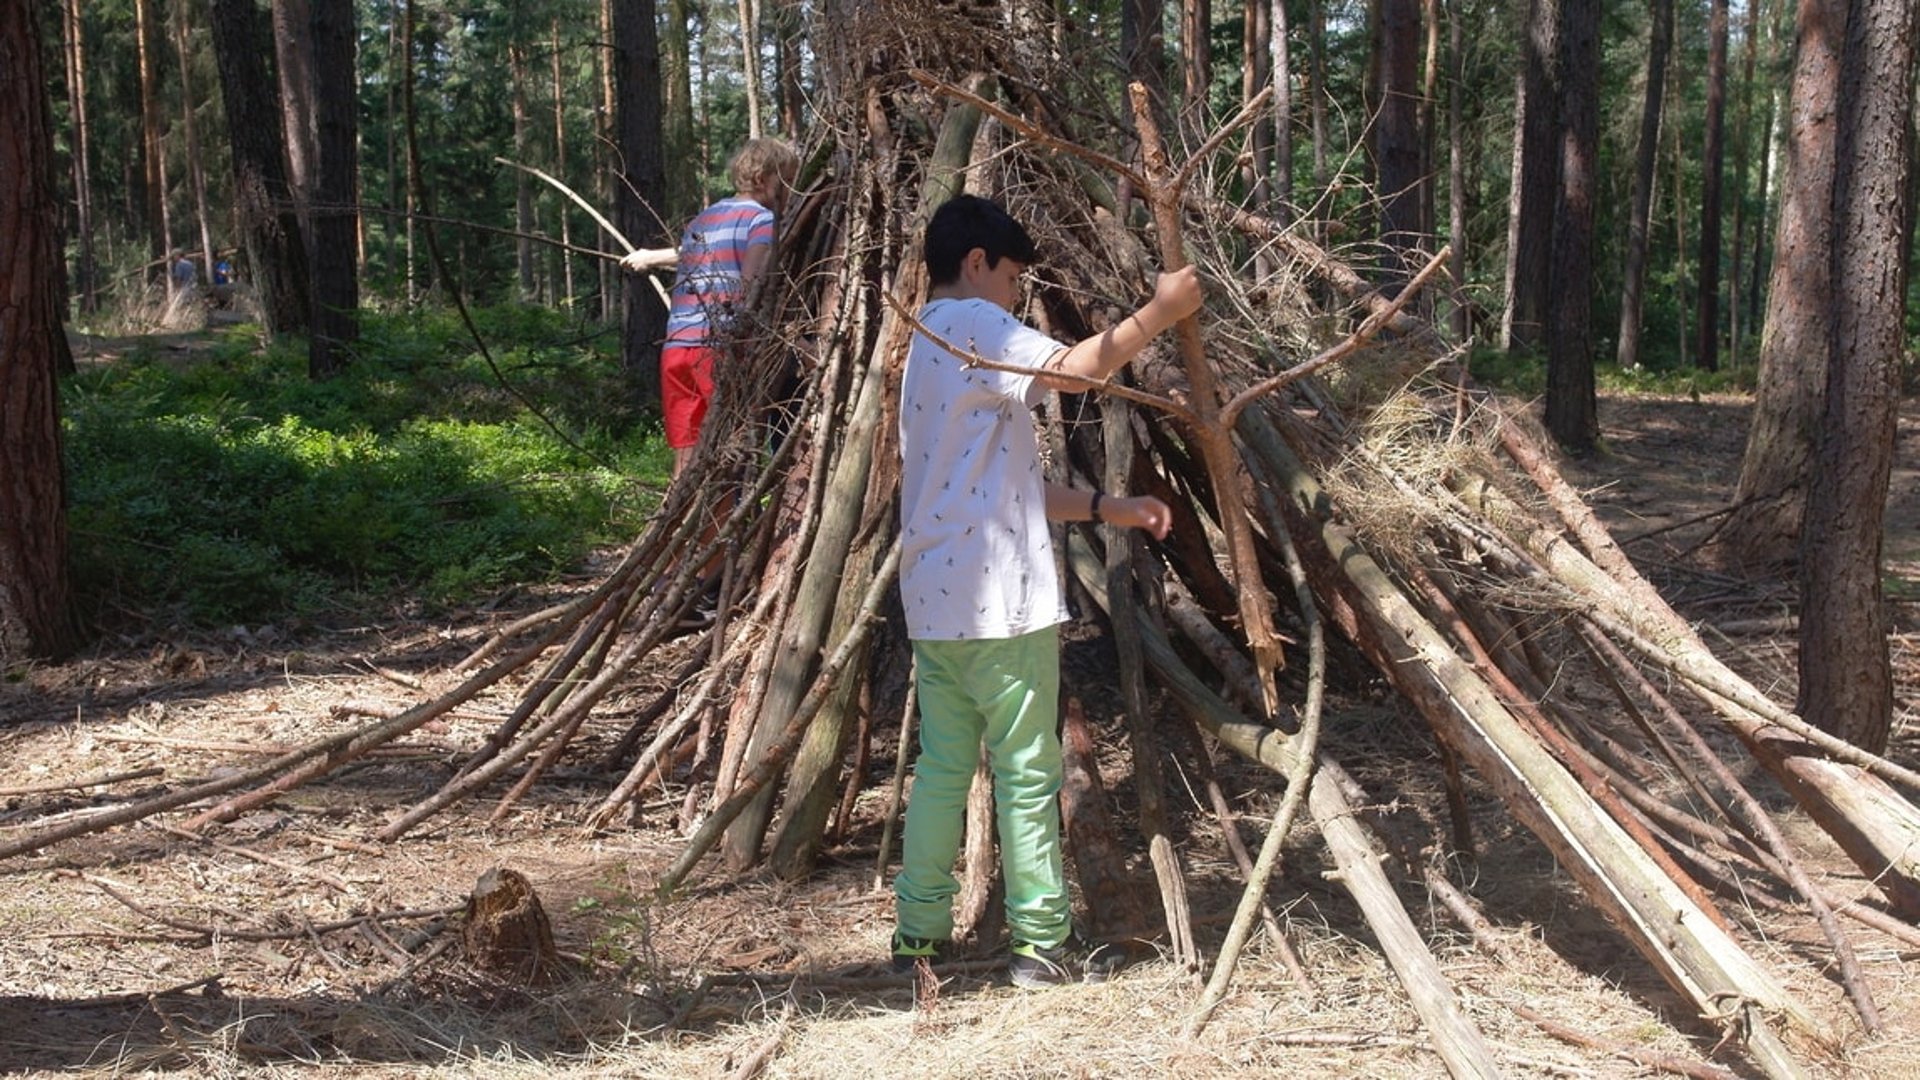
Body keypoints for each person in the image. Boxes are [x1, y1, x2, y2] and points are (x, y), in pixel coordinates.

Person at [890, 194, 1202, 989]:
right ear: (977, 264)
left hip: (938, 604)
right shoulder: (977, 326)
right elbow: (1080, 368)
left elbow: (997, 487)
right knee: (1029, 773)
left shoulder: (923, 350)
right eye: (1012, 280)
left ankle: (919, 934)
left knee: (942, 772)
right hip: (1001, 603)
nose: (1015, 299)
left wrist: (1108, 508)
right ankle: (1039, 944)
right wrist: (1160, 313)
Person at [622, 137, 800, 478]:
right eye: (786, 180)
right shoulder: (761, 221)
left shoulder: (702, 220)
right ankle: (723, 526)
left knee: (688, 456)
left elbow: (693, 258)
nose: (790, 191)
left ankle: (680, 525)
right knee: (727, 452)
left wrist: (652, 258)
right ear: (764, 179)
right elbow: (750, 289)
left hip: (677, 348)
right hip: (718, 350)